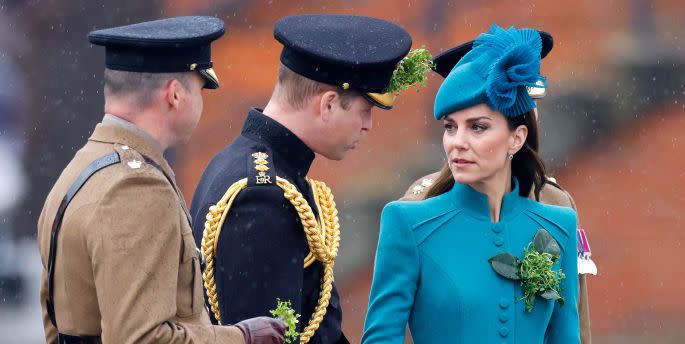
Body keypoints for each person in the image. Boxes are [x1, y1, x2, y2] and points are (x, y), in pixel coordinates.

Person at [37, 16, 285, 344]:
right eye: (200, 88)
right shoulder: (137, 189)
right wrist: (241, 338)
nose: (202, 100)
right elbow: (141, 339)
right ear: (175, 95)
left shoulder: (83, 167)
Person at [190, 14, 422, 344]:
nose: (368, 125)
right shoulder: (262, 195)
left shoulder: (253, 168)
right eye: (364, 109)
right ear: (328, 104)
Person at [362, 25, 580, 343]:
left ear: (516, 138)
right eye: (451, 127)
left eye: (477, 127)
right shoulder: (408, 222)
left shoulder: (558, 224)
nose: (457, 143)